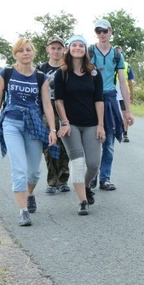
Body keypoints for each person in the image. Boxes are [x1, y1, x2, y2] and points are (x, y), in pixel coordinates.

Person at [0, 38, 57, 226]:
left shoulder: (41, 78)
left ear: (34, 53)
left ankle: (30, 193)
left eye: (28, 50)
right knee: (19, 170)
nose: (25, 53)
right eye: (21, 50)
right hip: (11, 123)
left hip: (33, 125)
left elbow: (47, 106)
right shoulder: (7, 73)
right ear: (15, 54)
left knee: (33, 172)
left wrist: (53, 129)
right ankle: (23, 211)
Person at [53, 35, 105, 215]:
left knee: (93, 164)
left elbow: (99, 100)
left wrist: (100, 125)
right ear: (69, 49)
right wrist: (65, 122)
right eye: (74, 45)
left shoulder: (94, 73)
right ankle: (83, 201)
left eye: (80, 45)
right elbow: (58, 101)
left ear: (85, 50)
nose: (77, 48)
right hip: (71, 125)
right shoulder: (62, 73)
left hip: (91, 124)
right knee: (78, 163)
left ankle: (85, 186)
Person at [88, 19, 133, 191]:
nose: (102, 34)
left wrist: (127, 111)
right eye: (98, 31)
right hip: (91, 99)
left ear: (110, 31)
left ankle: (105, 178)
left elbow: (123, 83)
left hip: (109, 98)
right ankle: (91, 176)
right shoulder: (90, 51)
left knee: (109, 142)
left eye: (104, 30)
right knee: (92, 141)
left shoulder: (117, 55)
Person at [38, 35, 71, 194]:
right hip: (46, 107)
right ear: (47, 49)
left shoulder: (68, 68)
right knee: (50, 144)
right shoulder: (41, 69)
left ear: (64, 50)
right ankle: (52, 181)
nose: (56, 51)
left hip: (65, 107)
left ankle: (63, 179)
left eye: (59, 48)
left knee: (65, 144)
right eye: (53, 48)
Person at [114, 46, 135, 143]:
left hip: (123, 93)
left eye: (120, 52)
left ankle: (125, 133)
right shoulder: (111, 64)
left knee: (125, 113)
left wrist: (131, 94)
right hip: (112, 92)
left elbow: (130, 82)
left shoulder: (126, 65)